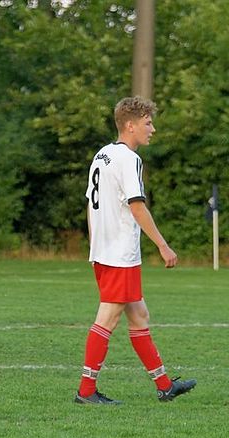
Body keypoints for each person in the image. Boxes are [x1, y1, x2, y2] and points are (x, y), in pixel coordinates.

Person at [74, 96, 196, 405]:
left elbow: (90, 204)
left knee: (139, 315)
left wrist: (94, 244)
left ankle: (165, 386)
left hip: (105, 252)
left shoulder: (102, 154)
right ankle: (86, 392)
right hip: (119, 254)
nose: (152, 129)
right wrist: (163, 245)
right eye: (148, 123)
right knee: (107, 319)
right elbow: (137, 206)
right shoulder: (129, 159)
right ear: (130, 125)